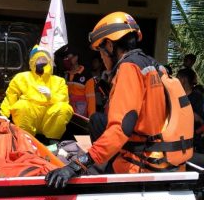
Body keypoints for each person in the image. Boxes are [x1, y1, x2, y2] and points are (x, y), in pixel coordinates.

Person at [46, 11, 193, 188]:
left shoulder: (128, 68)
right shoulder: (153, 65)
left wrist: (78, 165)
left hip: (139, 166)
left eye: (100, 51)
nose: (101, 57)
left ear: (109, 45)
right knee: (97, 120)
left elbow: (120, 129)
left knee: (81, 170)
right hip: (163, 157)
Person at [0, 45, 74, 144]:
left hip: (49, 115)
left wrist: (50, 96)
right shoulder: (22, 77)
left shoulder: (58, 81)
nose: (41, 62)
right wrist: (4, 114)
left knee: (64, 108)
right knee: (21, 106)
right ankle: (25, 141)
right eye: (38, 59)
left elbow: (64, 99)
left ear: (49, 61)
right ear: (32, 61)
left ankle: (53, 141)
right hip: (30, 115)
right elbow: (11, 96)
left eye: (44, 59)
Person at [177, 68, 204, 152]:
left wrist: (195, 133)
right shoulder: (175, 97)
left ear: (183, 80)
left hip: (193, 145)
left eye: (177, 78)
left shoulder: (198, 98)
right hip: (176, 142)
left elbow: (201, 122)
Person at [64, 50, 96, 118]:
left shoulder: (87, 75)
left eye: (69, 58)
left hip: (80, 115)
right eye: (66, 58)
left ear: (76, 57)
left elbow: (91, 98)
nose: (68, 60)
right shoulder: (66, 74)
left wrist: (91, 118)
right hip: (67, 112)